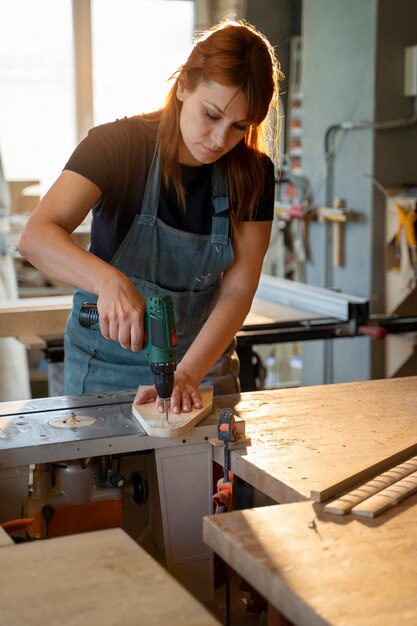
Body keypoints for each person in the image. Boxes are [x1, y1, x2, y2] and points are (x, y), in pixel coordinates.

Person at [19, 17, 283, 415]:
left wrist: (189, 373)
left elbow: (237, 291)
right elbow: (36, 237)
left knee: (212, 476)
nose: (219, 140)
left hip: (202, 367)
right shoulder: (116, 146)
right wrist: (108, 281)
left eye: (239, 127)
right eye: (211, 115)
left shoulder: (253, 175)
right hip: (103, 368)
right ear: (182, 87)